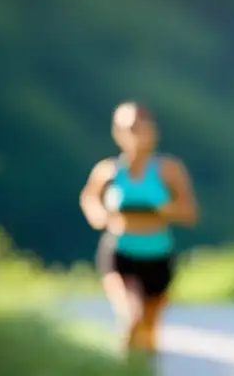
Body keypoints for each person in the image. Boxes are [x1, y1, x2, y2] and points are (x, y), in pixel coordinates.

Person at [78, 101, 198, 363]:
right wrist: (100, 215)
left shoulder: (168, 169)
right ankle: (122, 368)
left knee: (149, 330)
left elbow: (189, 212)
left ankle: (144, 369)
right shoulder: (108, 170)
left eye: (142, 127)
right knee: (131, 317)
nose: (136, 134)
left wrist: (163, 210)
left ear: (153, 131)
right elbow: (89, 199)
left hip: (158, 255)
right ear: (117, 132)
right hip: (120, 252)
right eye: (129, 128)